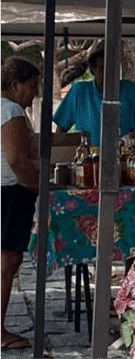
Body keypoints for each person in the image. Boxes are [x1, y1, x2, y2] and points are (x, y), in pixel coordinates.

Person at [1, 58, 41, 351]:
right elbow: (16, 160)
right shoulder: (11, 110)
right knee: (8, 261)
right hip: (11, 192)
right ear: (15, 85)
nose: (34, 93)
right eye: (31, 86)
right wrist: (39, 185)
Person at [54, 48, 135, 147]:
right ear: (92, 71)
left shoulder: (130, 89)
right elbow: (61, 129)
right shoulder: (79, 91)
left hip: (124, 156)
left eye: (113, 68)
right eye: (103, 69)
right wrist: (57, 158)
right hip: (90, 158)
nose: (109, 73)